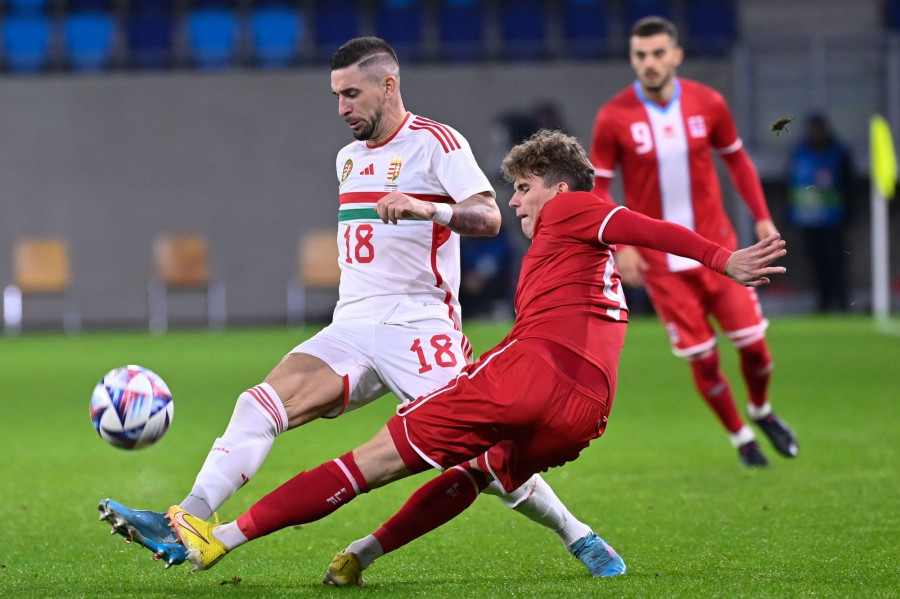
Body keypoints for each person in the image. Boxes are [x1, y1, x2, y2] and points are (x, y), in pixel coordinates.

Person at [151, 130, 786, 585]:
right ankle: (366, 554)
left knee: (369, 461)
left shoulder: (572, 207)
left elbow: (640, 225)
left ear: (559, 186)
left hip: (533, 375)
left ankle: (219, 537)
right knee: (480, 472)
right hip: (588, 410)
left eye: (523, 188)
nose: (516, 203)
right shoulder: (586, 264)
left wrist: (722, 259)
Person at [98, 37, 617, 577]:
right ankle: (185, 521)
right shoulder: (348, 159)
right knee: (258, 405)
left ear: (388, 86)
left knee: (483, 459)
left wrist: (424, 208)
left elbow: (488, 218)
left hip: (419, 325)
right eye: (336, 96)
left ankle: (576, 533)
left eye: (351, 94)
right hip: (351, 325)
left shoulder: (437, 143)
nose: (342, 107)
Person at [590, 16, 799, 467]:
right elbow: (600, 188)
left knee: (755, 349)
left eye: (658, 53)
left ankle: (760, 410)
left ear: (676, 55)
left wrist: (762, 218)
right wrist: (620, 246)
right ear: (632, 58)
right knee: (702, 360)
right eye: (641, 55)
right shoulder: (614, 117)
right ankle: (741, 437)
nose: (650, 63)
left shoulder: (708, 104)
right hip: (660, 263)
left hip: (722, 254)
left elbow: (739, 162)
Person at [786, 112, 855, 313]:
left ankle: (842, 302)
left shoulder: (839, 152)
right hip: (808, 219)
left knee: (837, 262)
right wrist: (790, 214)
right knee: (816, 263)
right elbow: (791, 184)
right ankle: (823, 302)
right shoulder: (799, 152)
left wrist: (849, 214)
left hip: (833, 219)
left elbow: (849, 186)